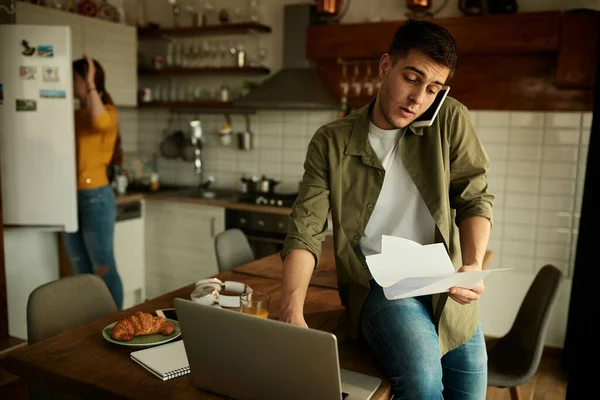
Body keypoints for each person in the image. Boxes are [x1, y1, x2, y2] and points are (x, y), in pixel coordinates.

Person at [279, 20, 494, 399]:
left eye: (433, 89)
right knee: (423, 383)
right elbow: (306, 228)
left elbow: (474, 196)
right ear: (384, 68)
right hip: (381, 285)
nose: (418, 99)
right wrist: (291, 309)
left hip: (445, 278)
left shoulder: (451, 119)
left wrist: (473, 263)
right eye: (412, 78)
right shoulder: (331, 141)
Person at [63, 55, 124, 310]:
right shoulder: (74, 115)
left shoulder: (106, 112)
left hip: (95, 198)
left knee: (102, 267)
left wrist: (89, 83)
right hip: (67, 198)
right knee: (81, 271)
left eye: (74, 78)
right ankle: (91, 325)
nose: (71, 82)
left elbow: (98, 120)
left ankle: (117, 322)